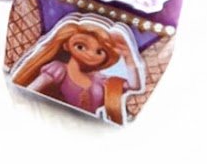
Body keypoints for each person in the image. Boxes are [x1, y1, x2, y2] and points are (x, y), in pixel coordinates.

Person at [10, 17, 142, 124]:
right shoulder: (58, 69)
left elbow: (133, 87)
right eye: (80, 46)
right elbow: (29, 92)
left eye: (99, 52)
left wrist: (129, 59)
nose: (90, 54)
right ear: (66, 45)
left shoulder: (100, 80)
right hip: (48, 117)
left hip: (87, 126)